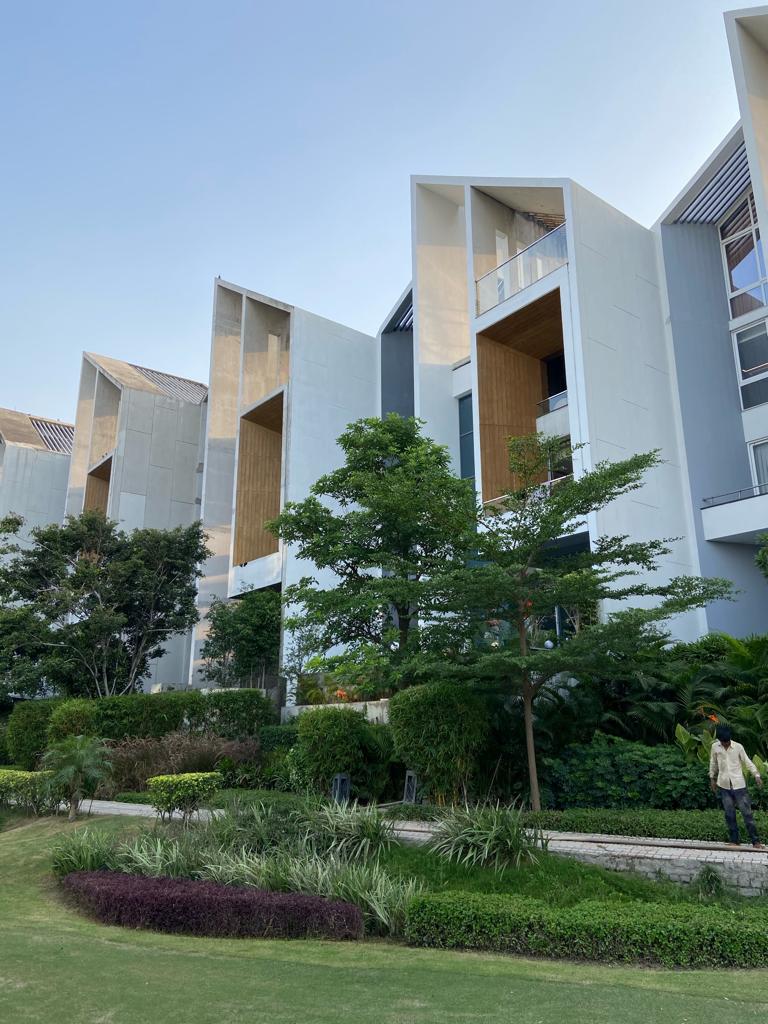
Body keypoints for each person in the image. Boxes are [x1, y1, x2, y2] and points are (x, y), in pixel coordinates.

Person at [709, 725, 764, 848]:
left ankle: (756, 841)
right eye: (723, 742)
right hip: (724, 785)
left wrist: (756, 775)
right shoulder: (715, 747)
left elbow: (747, 761)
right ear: (719, 740)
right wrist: (712, 778)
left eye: (727, 742)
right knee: (729, 814)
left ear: (730, 739)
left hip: (739, 785)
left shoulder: (738, 747)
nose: (725, 744)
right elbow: (713, 763)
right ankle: (734, 841)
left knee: (747, 813)